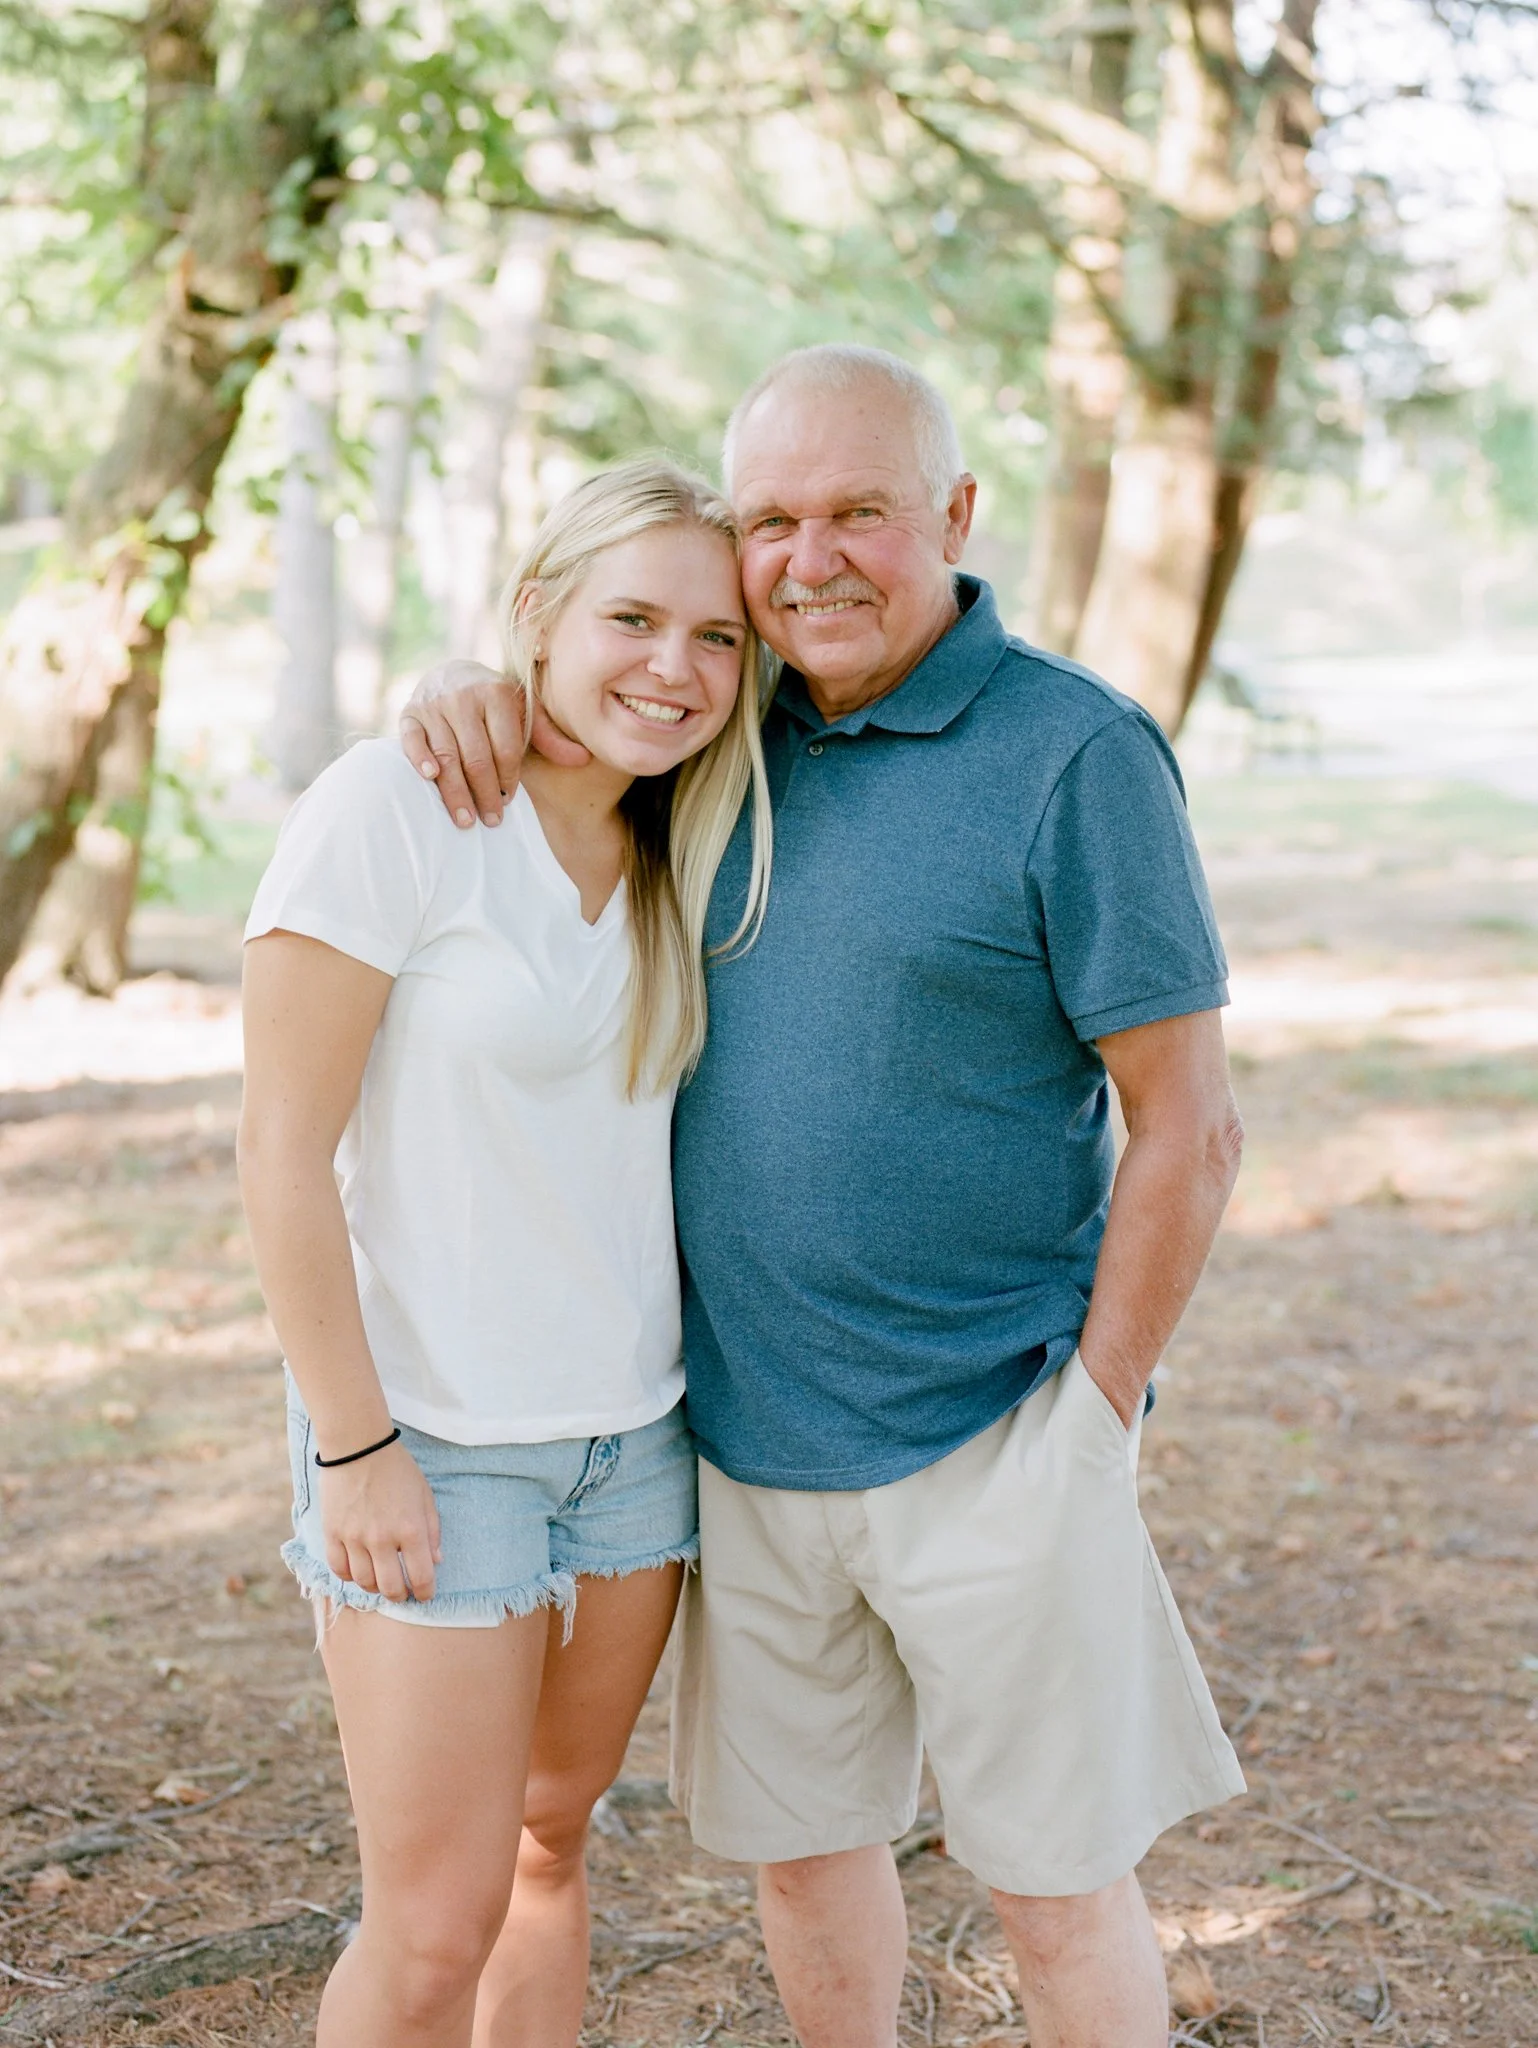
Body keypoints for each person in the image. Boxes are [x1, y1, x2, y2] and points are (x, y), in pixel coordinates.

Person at [400, 345, 1247, 2048]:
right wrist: (452, 682)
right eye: (770, 520)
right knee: (802, 1862)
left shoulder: (1074, 755)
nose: (810, 558)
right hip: (746, 1450)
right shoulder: (714, 733)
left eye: (859, 511)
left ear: (952, 511)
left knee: (1054, 1890)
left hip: (997, 1432)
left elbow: (1188, 1127)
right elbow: (568, 699)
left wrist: (1088, 1421)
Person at [238, 457, 773, 2048]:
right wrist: (358, 1447)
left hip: (638, 1442)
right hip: (435, 1441)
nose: (672, 668)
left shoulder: (698, 838)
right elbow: (278, 1152)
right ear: (536, 613)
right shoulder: (393, 809)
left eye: (717, 637)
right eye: (628, 617)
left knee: (550, 1851)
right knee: (428, 1931)